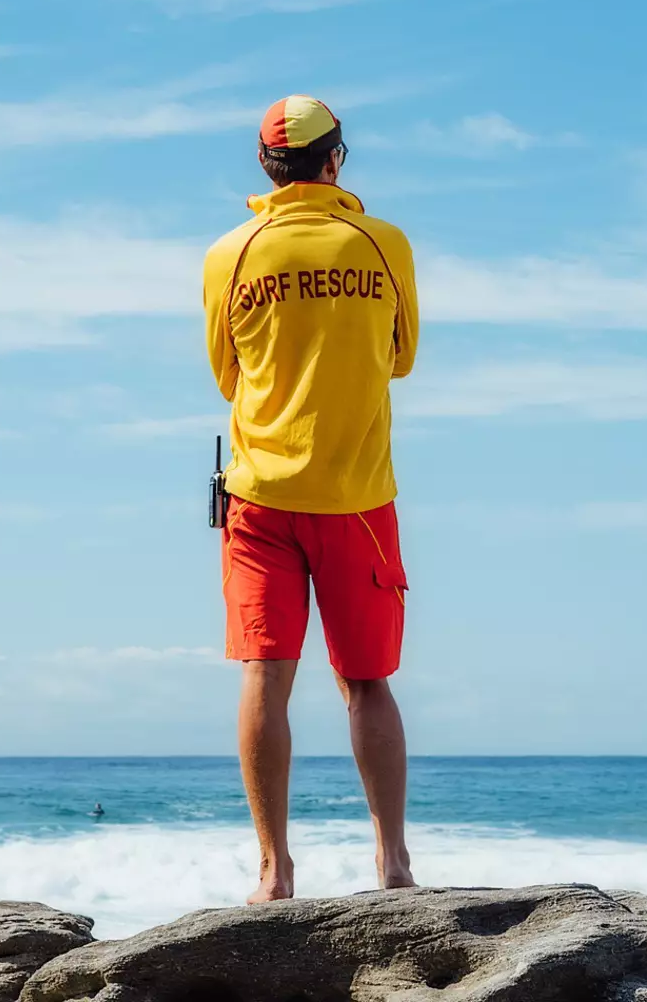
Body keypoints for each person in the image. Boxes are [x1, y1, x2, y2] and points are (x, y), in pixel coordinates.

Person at [202, 95, 420, 904]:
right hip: (359, 496)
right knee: (366, 682)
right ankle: (393, 865)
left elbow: (226, 374)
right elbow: (401, 358)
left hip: (258, 495)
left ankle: (273, 872)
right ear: (334, 160)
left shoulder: (229, 253)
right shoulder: (382, 242)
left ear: (266, 167)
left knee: (266, 676)